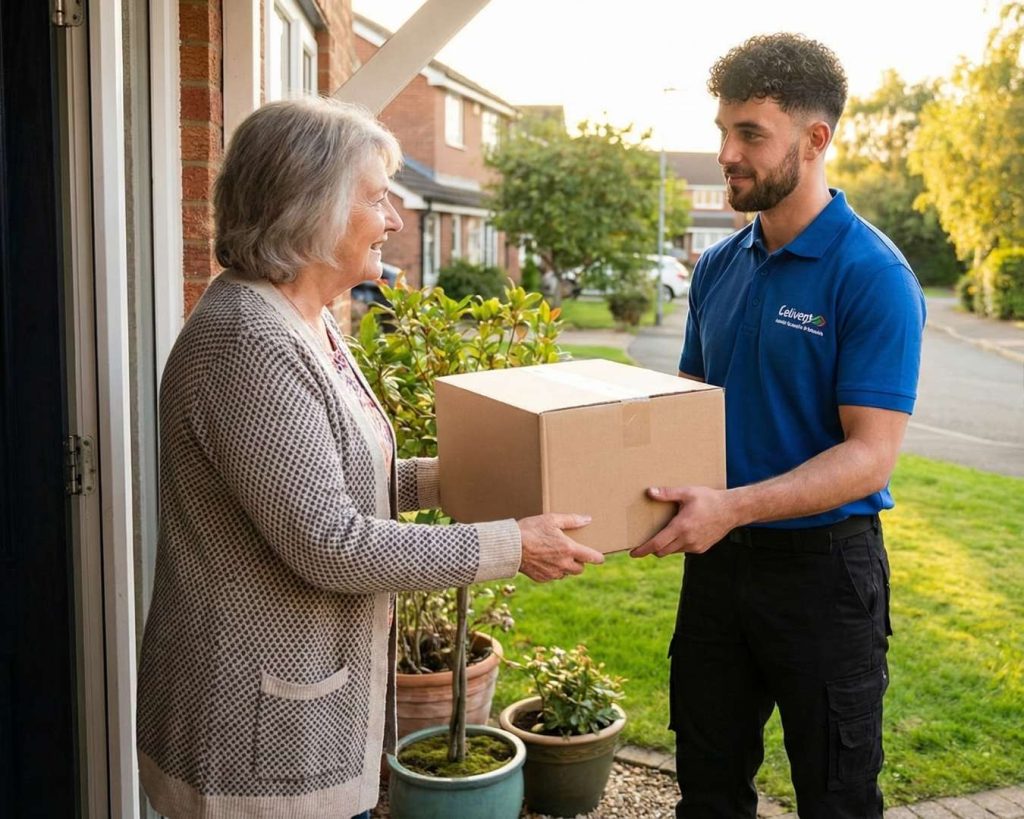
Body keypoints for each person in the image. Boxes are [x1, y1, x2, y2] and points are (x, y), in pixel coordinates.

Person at [135, 97, 604, 819]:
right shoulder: (247, 344)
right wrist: (513, 544)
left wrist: (472, 477)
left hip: (292, 713)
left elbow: (345, 478)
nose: (393, 220)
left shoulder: (305, 321)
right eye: (377, 198)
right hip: (249, 738)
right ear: (312, 207)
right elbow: (332, 542)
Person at [630, 33, 926, 819]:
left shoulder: (873, 276)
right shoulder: (717, 268)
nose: (726, 152)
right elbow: (688, 408)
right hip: (719, 572)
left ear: (816, 138)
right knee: (709, 786)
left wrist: (732, 505)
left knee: (837, 795)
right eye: (723, 129)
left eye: (750, 134)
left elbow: (870, 457)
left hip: (826, 579)